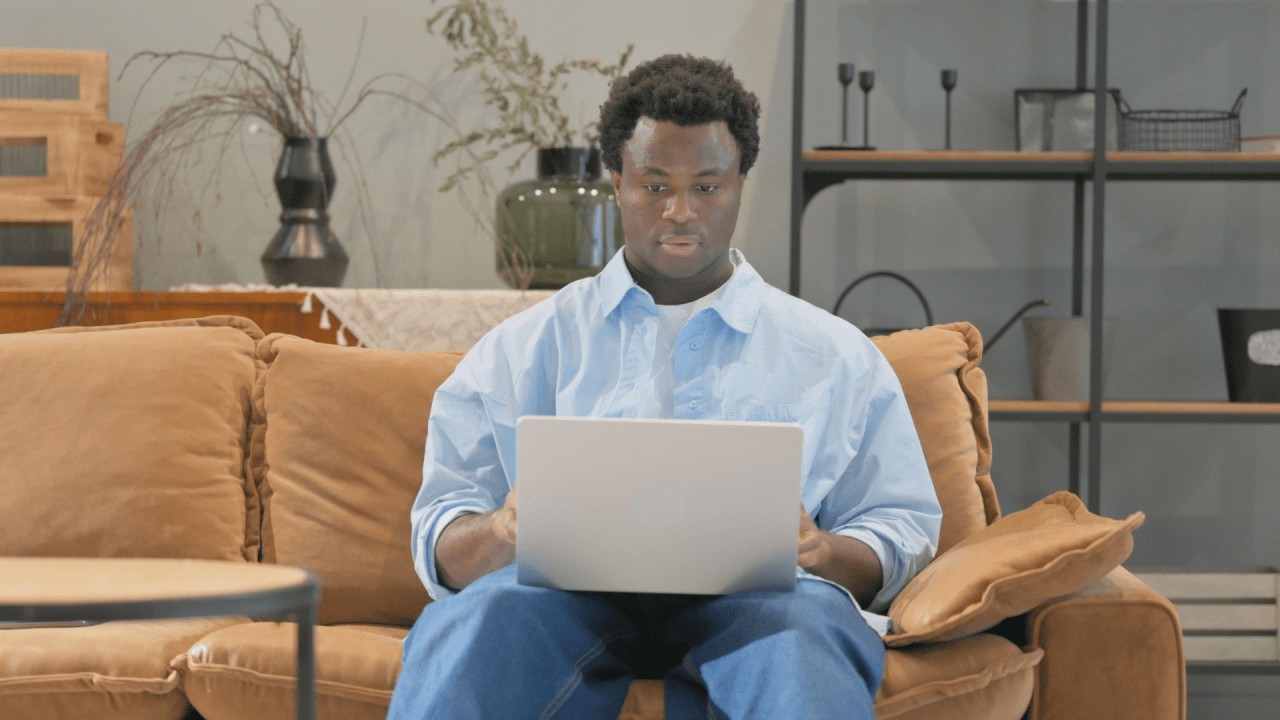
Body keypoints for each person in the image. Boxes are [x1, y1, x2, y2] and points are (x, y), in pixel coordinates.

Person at [389, 54, 942, 720]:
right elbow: (441, 533)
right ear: (617, 181)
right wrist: (504, 531)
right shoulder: (522, 349)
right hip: (555, 602)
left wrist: (826, 552)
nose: (681, 212)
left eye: (707, 187)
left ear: (741, 182)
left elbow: (902, 525)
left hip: (768, 606)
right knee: (476, 622)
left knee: (807, 632)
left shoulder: (835, 355)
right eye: (655, 186)